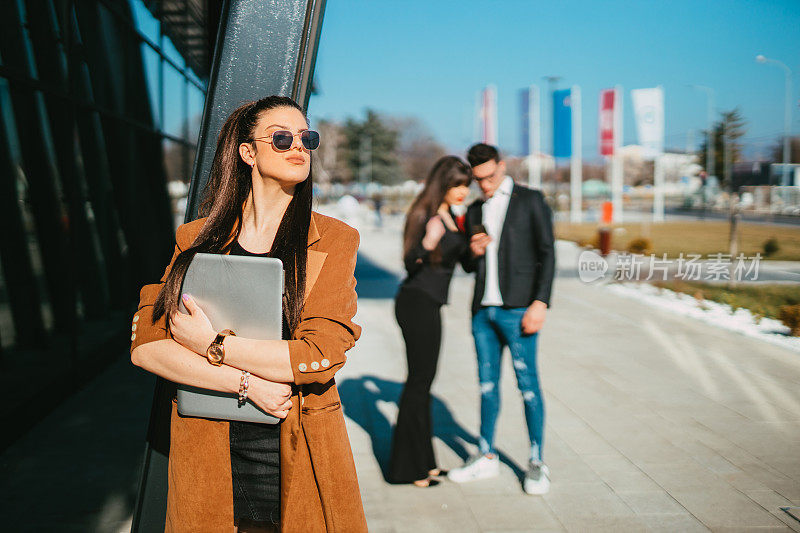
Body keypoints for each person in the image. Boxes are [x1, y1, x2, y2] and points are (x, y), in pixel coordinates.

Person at [130, 96, 367, 532]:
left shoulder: (334, 239)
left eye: (306, 138)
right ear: (248, 153)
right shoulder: (195, 239)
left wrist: (211, 345)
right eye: (281, 138)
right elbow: (148, 348)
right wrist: (246, 382)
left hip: (296, 449)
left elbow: (319, 356)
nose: (298, 146)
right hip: (209, 450)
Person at [447, 143, 555, 495]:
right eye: (479, 179)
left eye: (490, 176)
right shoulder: (475, 208)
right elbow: (466, 264)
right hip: (483, 312)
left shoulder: (531, 200)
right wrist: (472, 250)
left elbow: (547, 253)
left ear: (502, 166)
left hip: (520, 309)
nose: (485, 184)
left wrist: (540, 303)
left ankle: (536, 462)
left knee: (528, 388)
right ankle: (485, 456)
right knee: (487, 387)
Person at [388, 156, 472, 487]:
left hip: (430, 303)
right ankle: (405, 470)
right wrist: (427, 242)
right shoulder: (424, 213)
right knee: (419, 382)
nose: (463, 191)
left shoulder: (452, 215)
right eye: (457, 185)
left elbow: (461, 261)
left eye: (466, 185)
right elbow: (410, 262)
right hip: (416, 302)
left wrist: (474, 246)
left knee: (424, 383)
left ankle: (425, 463)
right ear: (443, 184)